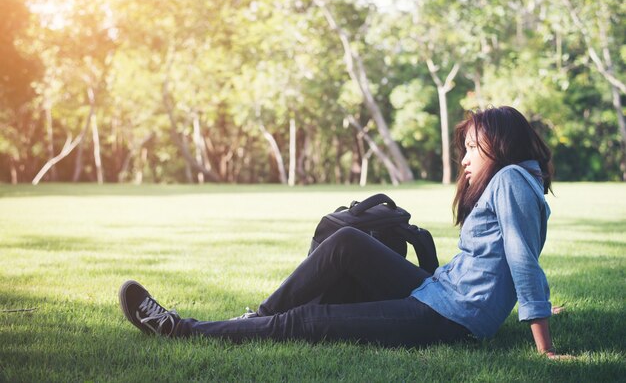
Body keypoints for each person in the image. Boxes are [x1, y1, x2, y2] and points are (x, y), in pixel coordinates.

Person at [119, 105, 564, 357]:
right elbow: (513, 256)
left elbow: (523, 260)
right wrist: (531, 304)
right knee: (347, 242)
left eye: (472, 149)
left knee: (308, 322)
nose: (465, 160)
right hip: (441, 291)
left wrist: (542, 343)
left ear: (500, 144)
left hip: (449, 317)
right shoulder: (519, 182)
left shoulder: (508, 181)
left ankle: (183, 330)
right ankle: (255, 317)